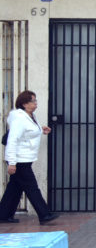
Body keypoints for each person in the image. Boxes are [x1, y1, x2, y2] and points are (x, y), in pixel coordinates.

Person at [0, 90, 59, 224]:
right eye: (33, 101)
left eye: (35, 100)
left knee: (14, 188)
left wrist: (41, 130)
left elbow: (28, 133)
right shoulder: (20, 118)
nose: (36, 103)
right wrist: (12, 163)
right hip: (20, 160)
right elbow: (13, 140)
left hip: (25, 158)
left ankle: (3, 215)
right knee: (32, 188)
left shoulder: (30, 116)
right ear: (24, 104)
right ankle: (44, 214)